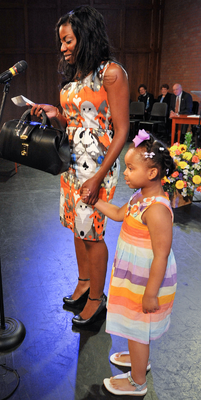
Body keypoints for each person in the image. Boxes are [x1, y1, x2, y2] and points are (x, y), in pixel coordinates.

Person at [29, 5, 129, 327]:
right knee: (76, 226)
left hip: (97, 166)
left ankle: (98, 301)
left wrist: (98, 178)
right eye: (61, 41)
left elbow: (122, 130)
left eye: (68, 40)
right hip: (72, 161)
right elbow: (75, 119)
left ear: (85, 36)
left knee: (92, 233)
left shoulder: (110, 73)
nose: (63, 47)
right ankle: (84, 282)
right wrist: (54, 113)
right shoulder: (77, 75)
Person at [82, 130, 177, 396]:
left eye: (130, 168)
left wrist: (151, 293)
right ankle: (140, 360)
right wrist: (95, 200)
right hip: (134, 277)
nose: (124, 172)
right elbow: (117, 213)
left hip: (147, 281)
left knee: (137, 328)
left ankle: (137, 382)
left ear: (151, 173)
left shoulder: (156, 209)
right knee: (136, 326)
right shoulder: (139, 198)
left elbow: (161, 255)